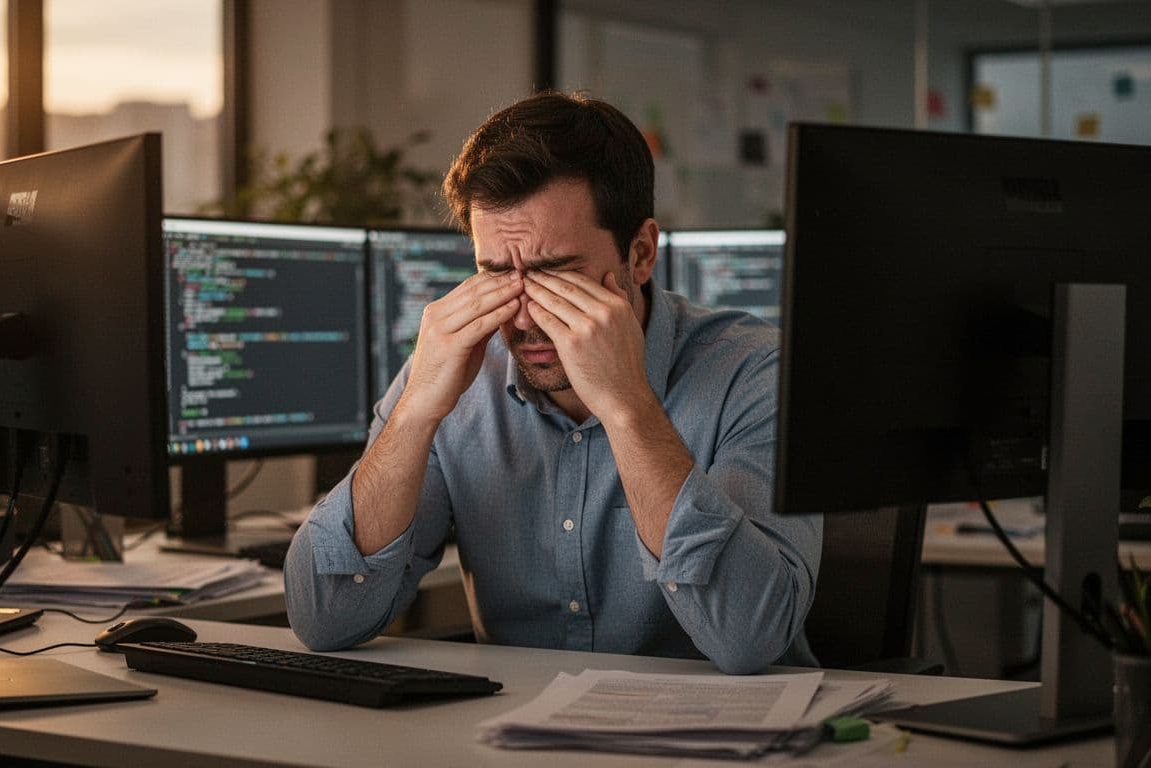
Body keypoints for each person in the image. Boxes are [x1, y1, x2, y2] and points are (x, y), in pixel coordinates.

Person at [283, 91, 821, 674]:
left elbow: (749, 637)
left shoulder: (754, 371)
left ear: (639, 254)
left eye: (555, 275)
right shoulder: (453, 375)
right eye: (495, 274)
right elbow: (324, 618)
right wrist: (414, 413)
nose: (521, 316)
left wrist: (625, 405)